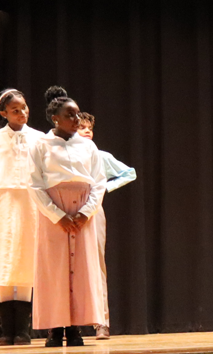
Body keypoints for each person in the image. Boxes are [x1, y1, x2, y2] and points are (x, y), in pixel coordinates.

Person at [29, 87, 107, 347]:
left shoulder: (88, 145)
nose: (76, 120)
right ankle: (55, 328)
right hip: (54, 212)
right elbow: (35, 184)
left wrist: (86, 212)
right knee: (55, 270)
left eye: (76, 115)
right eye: (70, 115)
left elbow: (98, 182)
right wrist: (56, 215)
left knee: (81, 271)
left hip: (83, 210)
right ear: (55, 119)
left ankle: (75, 328)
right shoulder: (41, 145)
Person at [0, 89, 43, 346]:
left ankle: (23, 329)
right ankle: (5, 329)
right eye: (15, 110)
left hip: (29, 202)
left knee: (25, 260)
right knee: (2, 262)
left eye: (24, 108)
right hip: (2, 201)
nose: (22, 113)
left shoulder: (39, 137)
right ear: (3, 113)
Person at [77, 112, 136, 340]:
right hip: (66, 213)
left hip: (92, 213)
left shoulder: (101, 156)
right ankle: (66, 324)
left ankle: (102, 322)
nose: (86, 131)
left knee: (96, 265)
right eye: (81, 127)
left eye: (89, 128)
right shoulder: (64, 155)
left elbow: (129, 173)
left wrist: (105, 188)